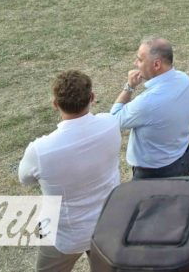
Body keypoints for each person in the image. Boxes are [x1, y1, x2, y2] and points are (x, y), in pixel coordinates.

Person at [18, 70, 121, 272]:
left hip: (63, 235)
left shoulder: (40, 150)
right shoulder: (110, 123)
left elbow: (25, 179)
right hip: (107, 226)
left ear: (55, 104)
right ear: (92, 97)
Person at [111, 37, 189, 179]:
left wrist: (129, 87)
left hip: (154, 174)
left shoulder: (147, 102)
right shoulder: (185, 80)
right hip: (183, 158)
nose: (135, 63)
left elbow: (114, 120)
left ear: (156, 64)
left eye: (140, 60)